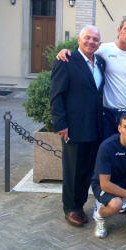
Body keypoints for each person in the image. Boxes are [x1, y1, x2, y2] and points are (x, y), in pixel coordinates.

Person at [56, 15, 126, 139]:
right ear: (119, 30)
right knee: (104, 152)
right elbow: (84, 52)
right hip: (106, 114)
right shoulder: (104, 50)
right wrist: (66, 51)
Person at [50, 25, 105, 227]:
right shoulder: (66, 60)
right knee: (73, 169)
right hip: (74, 126)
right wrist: (61, 123)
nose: (91, 42)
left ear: (99, 43)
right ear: (79, 40)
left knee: (87, 169)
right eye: (87, 38)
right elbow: (56, 95)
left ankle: (80, 203)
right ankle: (71, 208)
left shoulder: (100, 62)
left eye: (95, 39)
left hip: (95, 126)